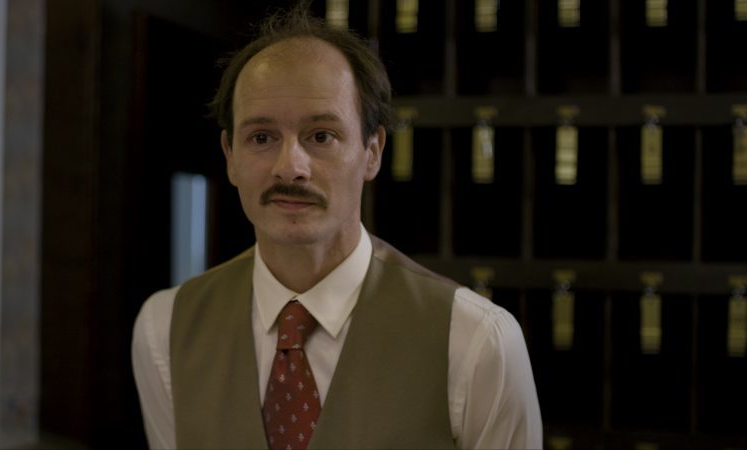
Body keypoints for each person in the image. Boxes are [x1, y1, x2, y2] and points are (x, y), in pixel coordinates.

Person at [132, 4, 542, 449]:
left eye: (321, 136)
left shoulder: (477, 342)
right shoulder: (163, 328)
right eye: (262, 137)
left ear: (373, 151)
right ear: (230, 156)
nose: (290, 167)